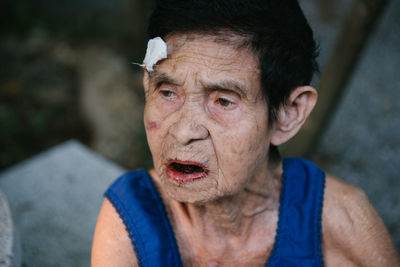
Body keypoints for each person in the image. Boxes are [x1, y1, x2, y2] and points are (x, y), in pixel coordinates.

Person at [91, 0, 400, 266]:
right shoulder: (131, 218)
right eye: (167, 92)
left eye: (223, 101)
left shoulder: (342, 223)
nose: (184, 131)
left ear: (288, 114)